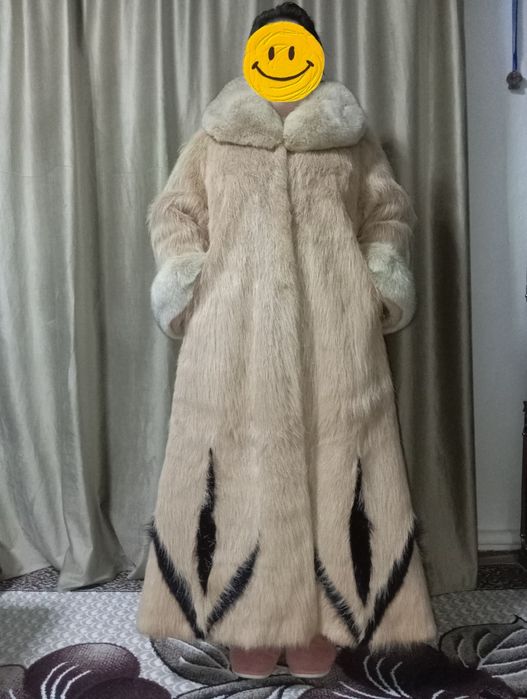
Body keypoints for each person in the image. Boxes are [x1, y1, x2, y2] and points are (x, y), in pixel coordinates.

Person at [136, 0, 437, 682]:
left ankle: (321, 622)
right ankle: (248, 621)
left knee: (337, 472)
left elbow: (387, 212)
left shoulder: (349, 138)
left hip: (335, 331)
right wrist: (188, 278)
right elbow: (175, 211)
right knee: (238, 474)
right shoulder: (216, 137)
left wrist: (376, 279)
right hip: (232, 332)